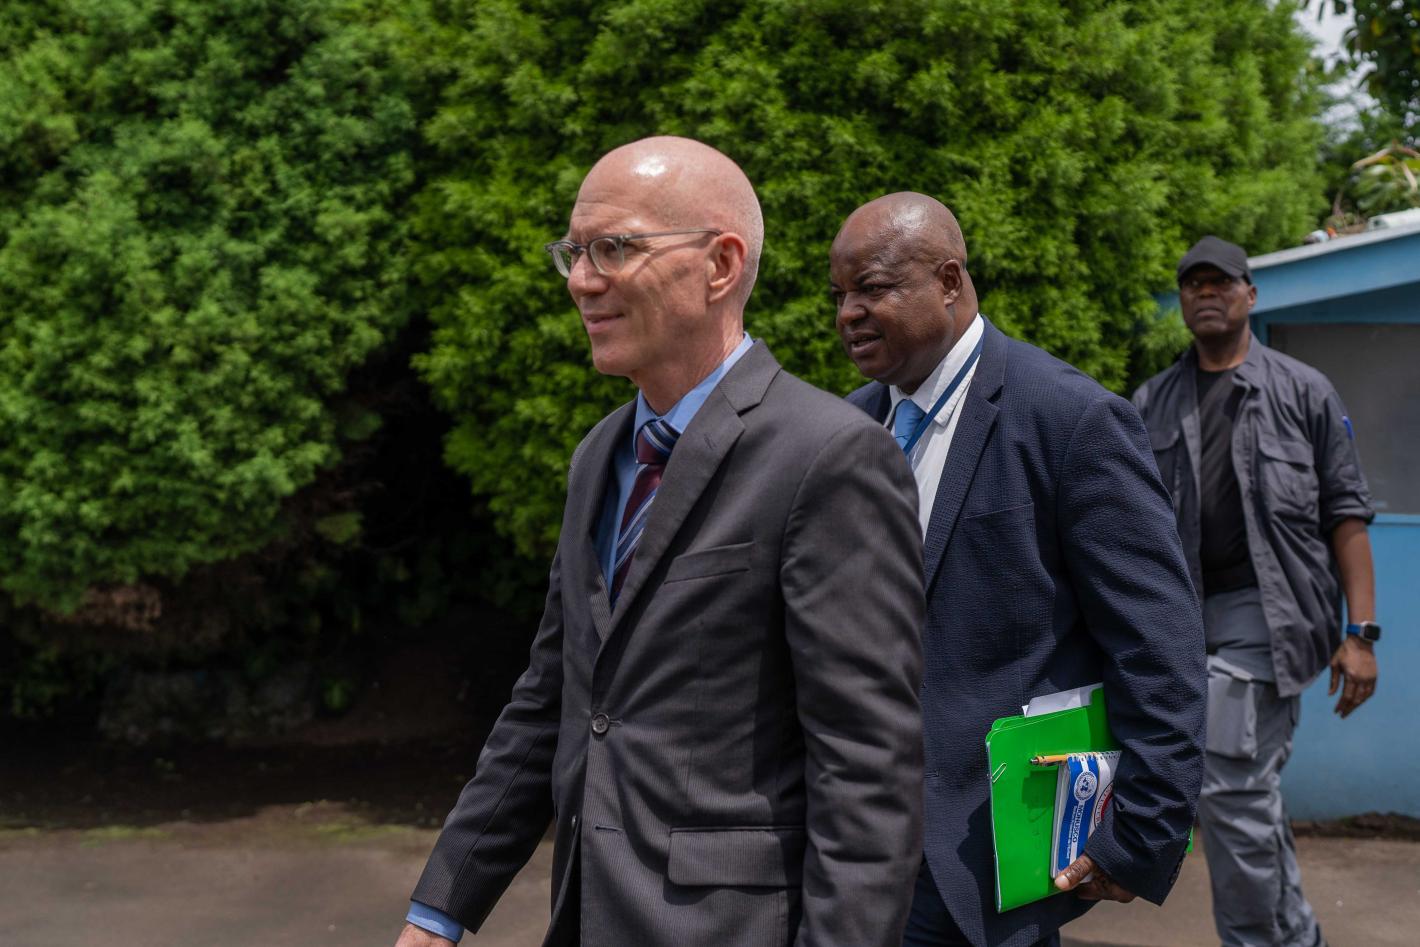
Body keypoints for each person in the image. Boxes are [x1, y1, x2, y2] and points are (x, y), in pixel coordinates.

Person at [395, 138, 927, 947]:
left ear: (720, 264)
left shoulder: (829, 456)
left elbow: (867, 767)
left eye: (614, 248)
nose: (581, 279)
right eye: (574, 252)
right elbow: (552, 700)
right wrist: (439, 911)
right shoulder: (599, 456)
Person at [831, 192, 1206, 947]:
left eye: (871, 289)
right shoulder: (845, 426)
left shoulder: (1069, 419)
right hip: (842, 846)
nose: (847, 314)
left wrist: (1142, 829)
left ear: (948, 280)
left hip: (978, 863)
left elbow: (1158, 645)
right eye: (838, 295)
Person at [1132, 235, 1378, 947]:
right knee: (1250, 797)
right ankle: (1296, 936)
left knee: (1232, 788)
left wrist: (1361, 633)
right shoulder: (1151, 401)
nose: (1206, 293)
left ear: (1250, 294)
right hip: (1180, 623)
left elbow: (1347, 515)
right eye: (1192, 284)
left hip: (1269, 619)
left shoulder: (1304, 391)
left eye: (1221, 282)